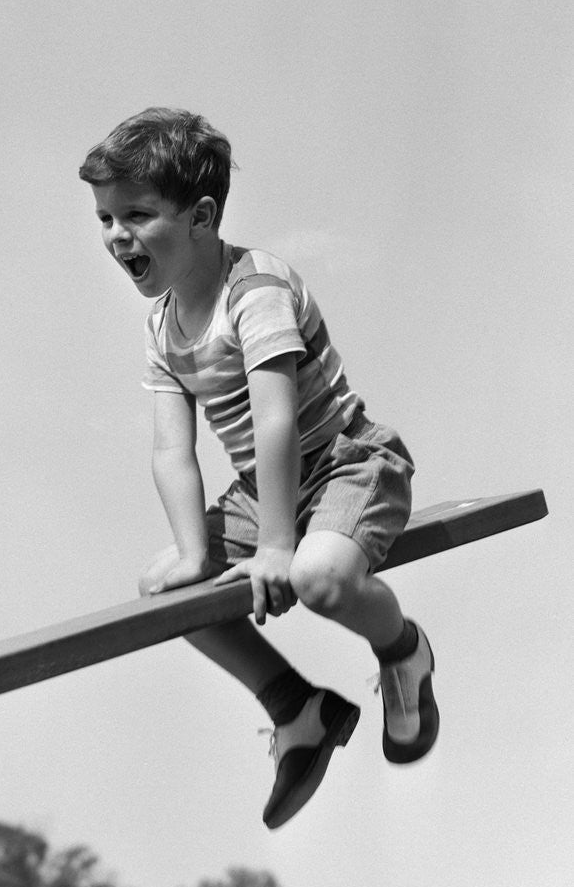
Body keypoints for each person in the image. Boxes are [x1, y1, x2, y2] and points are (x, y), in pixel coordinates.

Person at [78, 108, 439, 828]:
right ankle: (296, 708)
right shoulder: (163, 325)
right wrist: (190, 554)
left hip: (344, 462)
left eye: (139, 216)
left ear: (201, 217)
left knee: (318, 579)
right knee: (162, 592)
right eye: (107, 219)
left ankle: (405, 651)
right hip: (264, 491)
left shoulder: (256, 289)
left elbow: (276, 420)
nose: (119, 237)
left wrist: (276, 547)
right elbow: (171, 450)